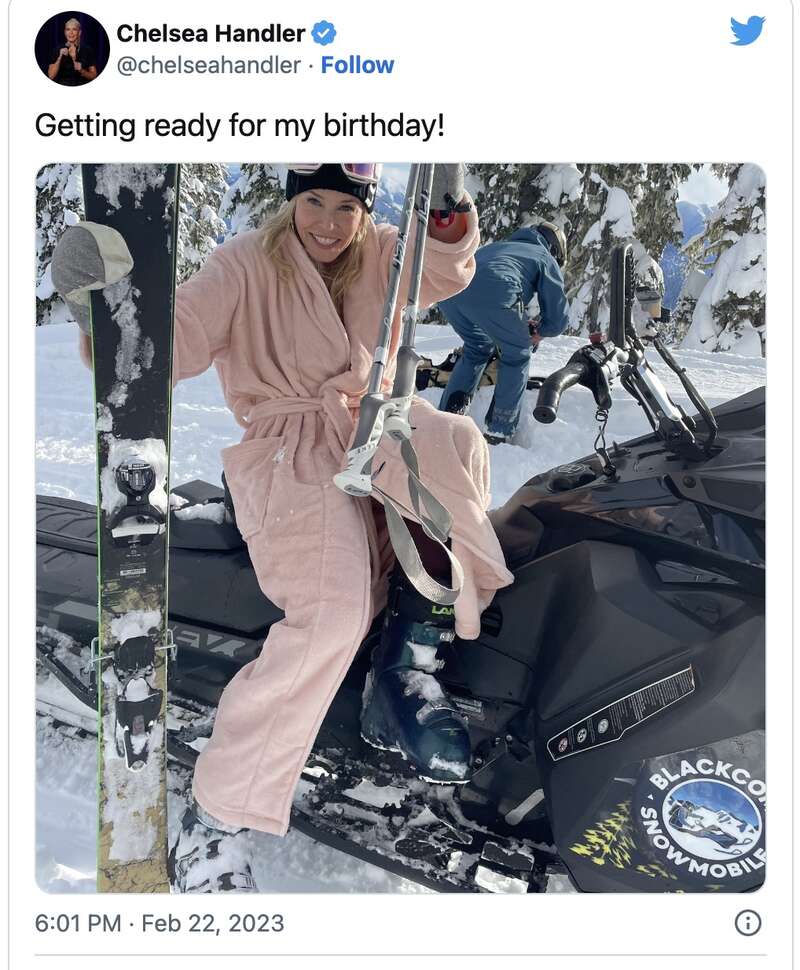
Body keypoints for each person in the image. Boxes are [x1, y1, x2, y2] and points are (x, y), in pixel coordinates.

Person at [53, 163, 514, 891]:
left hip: (366, 429)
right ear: (291, 200)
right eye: (313, 202)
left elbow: (445, 269)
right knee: (331, 612)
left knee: (454, 439)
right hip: (288, 452)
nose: (328, 223)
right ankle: (215, 818)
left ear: (364, 210)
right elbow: (179, 337)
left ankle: (402, 667)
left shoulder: (381, 253)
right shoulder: (244, 263)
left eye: (345, 207)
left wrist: (449, 206)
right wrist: (104, 311)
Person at [437, 221, 570, 444]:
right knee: (517, 354)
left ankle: (449, 415)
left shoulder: (498, 247)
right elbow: (558, 318)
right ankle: (499, 429)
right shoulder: (543, 256)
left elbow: (491, 280)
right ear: (555, 249)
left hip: (451, 295)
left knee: (477, 348)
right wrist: (540, 332)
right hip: (495, 296)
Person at [47, 17, 97, 85]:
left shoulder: (87, 50)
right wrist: (60, 57)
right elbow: (51, 76)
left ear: (79, 32)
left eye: (74, 29)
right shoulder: (57, 49)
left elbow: (94, 76)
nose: (71, 33)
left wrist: (81, 70)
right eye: (68, 29)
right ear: (65, 32)